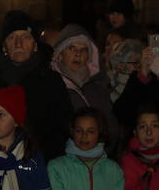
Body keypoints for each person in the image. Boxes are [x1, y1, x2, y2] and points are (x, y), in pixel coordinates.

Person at [0, 10, 72, 162]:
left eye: (25, 37)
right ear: (4, 46)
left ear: (35, 45)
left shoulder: (51, 82)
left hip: (42, 166)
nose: (18, 43)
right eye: (12, 38)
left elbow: (63, 128)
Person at [51, 24, 120, 152]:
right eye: (71, 48)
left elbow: (112, 127)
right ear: (60, 54)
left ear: (89, 57)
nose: (78, 54)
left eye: (84, 50)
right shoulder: (52, 88)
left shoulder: (98, 87)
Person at [106, 38, 142, 103]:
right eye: (136, 63)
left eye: (142, 62)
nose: (141, 67)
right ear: (120, 66)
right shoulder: (112, 87)